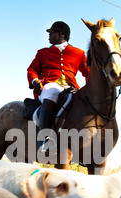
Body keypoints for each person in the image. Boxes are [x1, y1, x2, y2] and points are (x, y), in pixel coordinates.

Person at [27, 21, 90, 152]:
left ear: (62, 34)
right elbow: (32, 69)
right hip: (48, 85)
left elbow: (88, 73)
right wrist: (34, 81)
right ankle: (44, 140)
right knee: (52, 92)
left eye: (51, 33)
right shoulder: (43, 52)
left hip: (70, 87)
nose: (49, 36)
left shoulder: (78, 53)